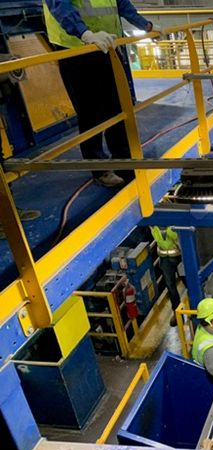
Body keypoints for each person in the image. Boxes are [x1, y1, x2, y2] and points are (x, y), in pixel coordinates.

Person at [43, 0, 162, 188]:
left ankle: (123, 160)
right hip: (78, 48)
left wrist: (145, 25)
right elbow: (60, 6)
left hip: (108, 44)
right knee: (90, 110)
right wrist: (85, 34)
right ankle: (99, 168)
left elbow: (120, 3)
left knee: (117, 106)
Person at [150, 226, 183, 327]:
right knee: (170, 287)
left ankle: (195, 311)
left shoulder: (172, 222)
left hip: (180, 257)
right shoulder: (153, 225)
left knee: (189, 284)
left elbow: (177, 236)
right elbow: (157, 238)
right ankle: (178, 315)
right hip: (165, 259)